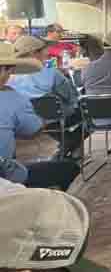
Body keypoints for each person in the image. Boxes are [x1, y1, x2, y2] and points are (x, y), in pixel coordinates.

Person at [0, 43, 80, 191]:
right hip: (6, 176)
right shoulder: (10, 96)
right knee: (70, 169)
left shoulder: (14, 91)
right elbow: (33, 131)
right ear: (6, 69)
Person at [10, 35, 83, 158]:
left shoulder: (7, 75)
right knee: (89, 112)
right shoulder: (52, 73)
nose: (48, 52)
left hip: (24, 120)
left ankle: (67, 146)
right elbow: (71, 97)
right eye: (45, 49)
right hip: (55, 118)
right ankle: (68, 146)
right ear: (34, 53)